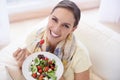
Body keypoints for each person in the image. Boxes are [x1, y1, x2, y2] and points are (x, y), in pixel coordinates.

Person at [13, 0, 92, 80]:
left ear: (73, 29)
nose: (56, 29)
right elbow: (29, 69)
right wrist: (21, 62)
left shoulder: (80, 55)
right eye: (54, 19)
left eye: (65, 26)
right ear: (49, 16)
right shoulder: (34, 37)